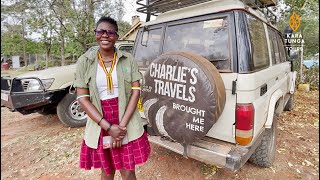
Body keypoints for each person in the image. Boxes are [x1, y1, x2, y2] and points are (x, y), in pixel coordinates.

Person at [73, 16, 150, 180]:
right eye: (101, 31)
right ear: (96, 34)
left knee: (128, 170)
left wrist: (120, 128)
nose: (105, 35)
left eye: (110, 32)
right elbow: (83, 98)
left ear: (116, 35)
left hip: (126, 119)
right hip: (100, 120)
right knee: (107, 171)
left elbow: (135, 92)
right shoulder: (84, 62)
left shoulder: (127, 59)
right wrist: (108, 128)